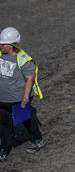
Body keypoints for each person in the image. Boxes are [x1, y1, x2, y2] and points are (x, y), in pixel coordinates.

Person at [0, 26, 43, 162]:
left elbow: (30, 79)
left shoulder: (24, 60)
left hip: (18, 99)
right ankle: (5, 148)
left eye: (2, 44)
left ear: (11, 45)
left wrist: (25, 98)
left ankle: (37, 140)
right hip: (2, 99)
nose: (0, 45)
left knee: (25, 120)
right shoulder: (1, 55)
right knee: (4, 124)